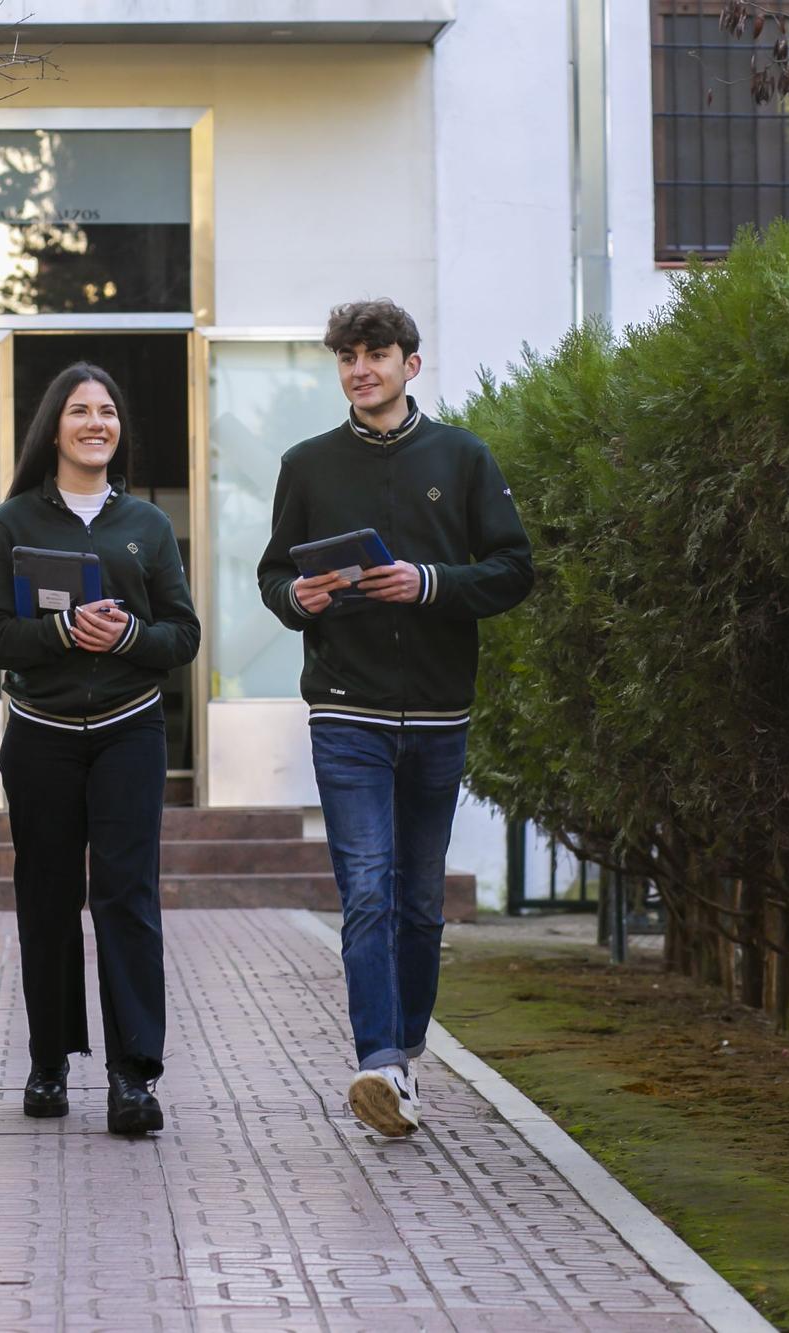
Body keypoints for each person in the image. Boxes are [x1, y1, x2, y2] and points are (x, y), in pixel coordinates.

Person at [257, 300, 533, 1137]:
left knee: (419, 901)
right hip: (345, 709)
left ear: (412, 364)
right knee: (368, 890)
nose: (359, 368)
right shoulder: (307, 465)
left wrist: (430, 583)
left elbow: (514, 570)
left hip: (441, 713)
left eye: (376, 353)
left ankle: (404, 1054)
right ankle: (378, 1062)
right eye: (347, 356)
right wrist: (297, 598)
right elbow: (275, 578)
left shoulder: (464, 456)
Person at [0, 361, 200, 1136]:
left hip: (131, 730)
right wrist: (59, 631)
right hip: (42, 738)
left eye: (108, 410)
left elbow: (183, 636)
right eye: (79, 411)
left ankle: (135, 1078)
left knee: (127, 899)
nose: (96, 422)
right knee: (48, 900)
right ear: (53, 429)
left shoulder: (148, 528)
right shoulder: (11, 524)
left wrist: (131, 634)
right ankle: (49, 1062)